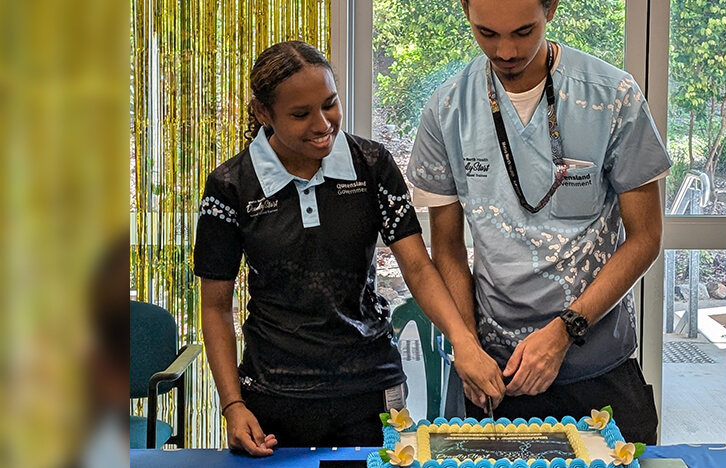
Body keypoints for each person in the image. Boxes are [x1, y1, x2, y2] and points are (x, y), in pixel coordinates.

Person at [194, 41, 503, 456]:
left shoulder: (372, 165)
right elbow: (215, 307)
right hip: (275, 393)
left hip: (370, 387)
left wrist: (463, 341)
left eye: (330, 104)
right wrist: (232, 404)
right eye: (301, 114)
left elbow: (416, 265)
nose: (322, 124)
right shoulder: (229, 187)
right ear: (263, 113)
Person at [407, 0, 671, 444]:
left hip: (598, 367)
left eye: (523, 32)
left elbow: (645, 238)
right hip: (495, 374)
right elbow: (448, 248)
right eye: (487, 33)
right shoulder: (448, 109)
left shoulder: (612, 95)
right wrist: (467, 346)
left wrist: (568, 329)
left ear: (551, 10)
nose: (506, 51)